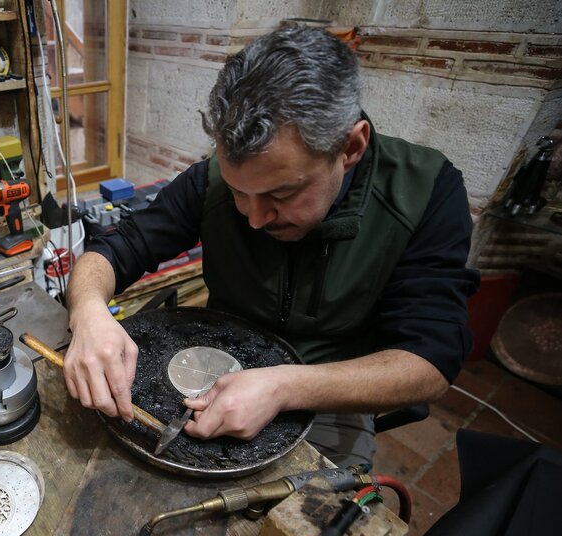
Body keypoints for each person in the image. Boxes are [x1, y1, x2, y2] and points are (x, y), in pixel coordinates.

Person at [63, 26, 480, 467]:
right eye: (240, 193)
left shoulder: (425, 190)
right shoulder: (212, 181)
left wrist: (284, 386)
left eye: (281, 196)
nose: (256, 218)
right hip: (209, 365)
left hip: (329, 391)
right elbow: (115, 249)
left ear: (351, 147)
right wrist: (88, 311)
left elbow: (429, 362)